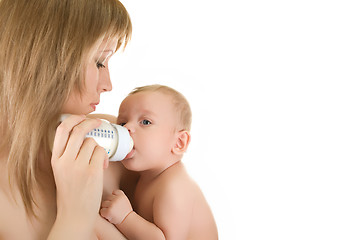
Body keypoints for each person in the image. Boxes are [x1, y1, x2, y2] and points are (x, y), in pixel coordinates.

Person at [0, 0, 134, 239]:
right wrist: (75, 217)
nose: (108, 85)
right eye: (99, 62)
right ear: (43, 60)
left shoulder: (110, 140)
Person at [98, 84, 218, 239]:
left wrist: (126, 217)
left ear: (179, 143)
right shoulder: (149, 175)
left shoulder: (174, 186)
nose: (127, 128)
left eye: (145, 122)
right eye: (122, 123)